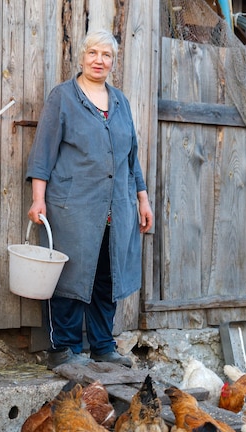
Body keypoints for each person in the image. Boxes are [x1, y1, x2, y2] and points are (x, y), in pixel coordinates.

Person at [26, 29, 153, 370]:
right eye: (93, 53)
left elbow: (131, 157)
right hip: (74, 207)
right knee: (71, 274)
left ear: (113, 61)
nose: (99, 60)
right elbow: (43, 154)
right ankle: (64, 349)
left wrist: (143, 199)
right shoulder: (63, 98)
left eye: (106, 55)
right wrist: (38, 199)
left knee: (106, 277)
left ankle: (102, 345)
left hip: (117, 208)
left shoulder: (121, 102)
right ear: (81, 57)